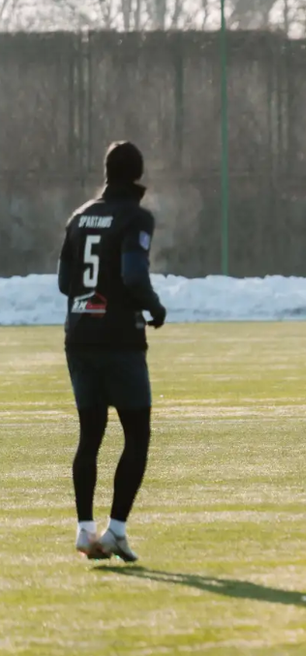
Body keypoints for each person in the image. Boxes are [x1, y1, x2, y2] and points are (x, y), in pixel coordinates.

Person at [57, 141, 167, 562]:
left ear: (106, 172)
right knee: (137, 433)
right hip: (119, 339)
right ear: (138, 174)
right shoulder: (135, 217)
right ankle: (116, 529)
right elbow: (134, 274)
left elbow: (66, 283)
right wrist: (154, 308)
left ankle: (85, 530)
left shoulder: (80, 216)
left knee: (91, 435)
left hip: (79, 336)